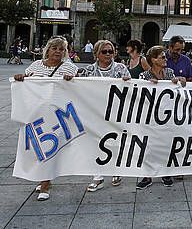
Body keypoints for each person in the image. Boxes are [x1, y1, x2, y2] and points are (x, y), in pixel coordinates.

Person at [13, 36, 78, 200]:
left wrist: (72, 81)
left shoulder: (68, 68)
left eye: (61, 49)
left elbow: (78, 86)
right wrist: (22, 78)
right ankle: (43, 177)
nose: (58, 51)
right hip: (36, 115)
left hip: (56, 116)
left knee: (50, 147)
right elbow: (27, 81)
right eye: (54, 48)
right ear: (47, 50)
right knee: (37, 147)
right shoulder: (35, 66)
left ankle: (45, 184)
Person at [79, 39, 131, 192]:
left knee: (115, 141)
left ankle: (116, 170)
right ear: (96, 54)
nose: (108, 54)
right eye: (104, 51)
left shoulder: (121, 68)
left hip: (116, 112)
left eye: (111, 51)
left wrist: (127, 82)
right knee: (96, 143)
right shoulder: (88, 71)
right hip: (95, 112)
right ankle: (98, 176)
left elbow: (131, 87)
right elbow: (77, 89)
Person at [137, 46, 183, 189]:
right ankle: (147, 176)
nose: (165, 59)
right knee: (149, 146)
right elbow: (138, 94)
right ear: (153, 60)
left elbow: (177, 90)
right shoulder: (144, 76)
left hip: (167, 115)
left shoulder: (169, 73)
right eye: (162, 57)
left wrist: (178, 82)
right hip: (150, 117)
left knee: (165, 144)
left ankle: (165, 172)